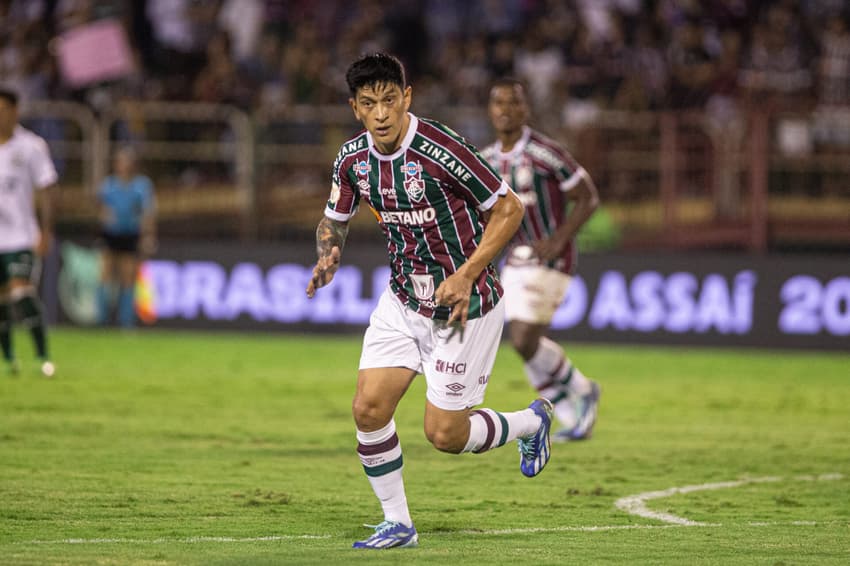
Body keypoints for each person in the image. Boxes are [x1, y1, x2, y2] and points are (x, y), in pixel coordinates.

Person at [305, 53, 554, 550]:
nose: (382, 114)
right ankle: (398, 523)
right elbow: (334, 218)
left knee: (445, 435)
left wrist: (466, 273)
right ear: (355, 107)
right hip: (402, 302)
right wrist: (328, 253)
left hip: (466, 307)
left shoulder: (442, 149)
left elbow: (508, 207)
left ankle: (532, 421)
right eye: (370, 104)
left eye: (390, 101)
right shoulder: (352, 159)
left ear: (407, 98)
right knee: (368, 409)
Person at [481, 78, 601, 442]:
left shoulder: (546, 153)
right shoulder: (485, 161)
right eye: (499, 103)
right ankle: (567, 412)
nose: (506, 110)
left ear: (525, 109)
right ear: (490, 111)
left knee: (522, 337)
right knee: (524, 341)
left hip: (552, 256)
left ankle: (580, 389)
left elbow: (588, 197)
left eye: (513, 103)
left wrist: (559, 238)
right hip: (513, 261)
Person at [0, 87, 58, 377]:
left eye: (3, 110)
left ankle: (42, 356)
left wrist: (46, 231)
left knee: (21, 292)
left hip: (22, 236)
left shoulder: (31, 146)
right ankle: (9, 359)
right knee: (2, 301)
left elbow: (46, 188)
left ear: (15, 112)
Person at [96, 146, 157, 327]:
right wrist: (103, 217)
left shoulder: (142, 186)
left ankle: (126, 321)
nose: (124, 166)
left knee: (128, 277)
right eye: (121, 162)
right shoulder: (109, 185)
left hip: (130, 234)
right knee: (106, 275)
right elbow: (100, 208)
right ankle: (101, 319)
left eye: (127, 162)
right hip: (111, 234)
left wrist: (148, 236)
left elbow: (148, 213)